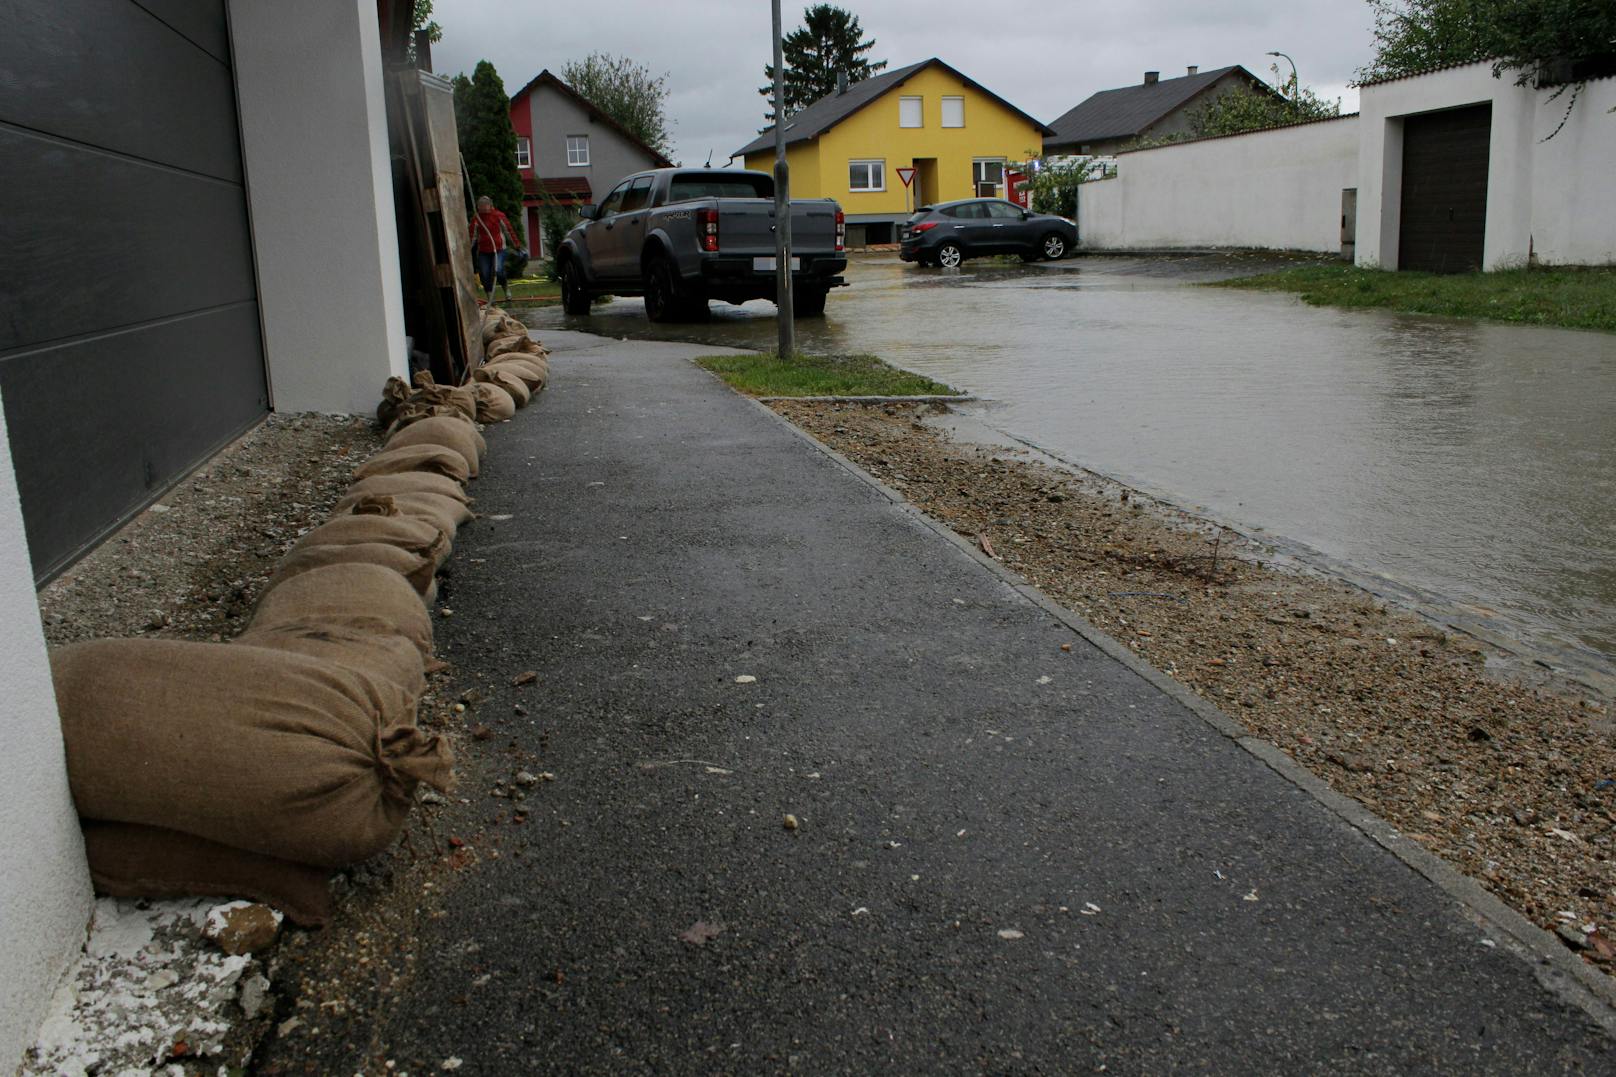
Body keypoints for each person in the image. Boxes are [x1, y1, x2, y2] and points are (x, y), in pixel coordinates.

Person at [469, 196, 519, 304]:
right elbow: (472, 236)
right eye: (480, 207)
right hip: (483, 251)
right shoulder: (477, 218)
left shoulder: (498, 216)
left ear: (490, 206)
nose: (482, 209)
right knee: (485, 273)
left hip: (499, 249)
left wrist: (516, 244)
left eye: (484, 206)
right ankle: (490, 297)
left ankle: (506, 290)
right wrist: (468, 248)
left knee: (498, 270)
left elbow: (508, 230)